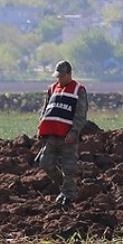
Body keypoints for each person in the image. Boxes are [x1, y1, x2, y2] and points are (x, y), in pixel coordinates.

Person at [36, 60, 88, 208]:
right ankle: (64, 187)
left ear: (69, 74)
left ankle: (68, 196)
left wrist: (74, 131)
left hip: (68, 136)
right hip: (51, 135)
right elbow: (45, 110)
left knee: (69, 168)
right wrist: (41, 127)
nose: (58, 79)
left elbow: (80, 114)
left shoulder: (78, 90)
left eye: (61, 76)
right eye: (57, 76)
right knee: (45, 163)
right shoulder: (52, 89)